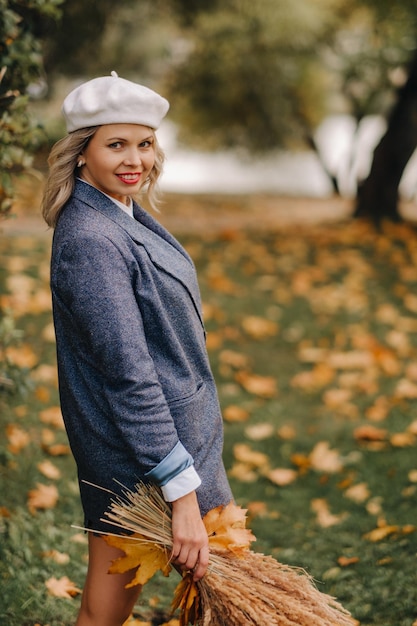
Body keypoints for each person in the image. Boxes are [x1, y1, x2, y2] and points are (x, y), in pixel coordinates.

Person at [41, 72, 233, 626]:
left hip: (168, 447)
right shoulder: (92, 241)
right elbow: (128, 375)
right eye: (116, 144)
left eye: (144, 143)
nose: (135, 160)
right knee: (107, 610)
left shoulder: (117, 211)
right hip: (146, 459)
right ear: (81, 154)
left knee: (129, 604)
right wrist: (182, 495)